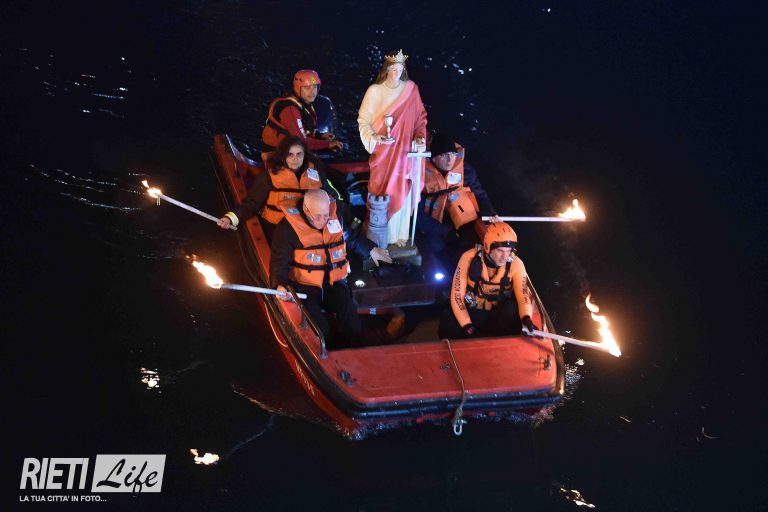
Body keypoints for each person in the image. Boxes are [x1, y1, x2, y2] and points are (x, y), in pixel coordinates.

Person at [270, 189, 392, 347]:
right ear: (306, 209)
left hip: (332, 284)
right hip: (304, 288)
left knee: (350, 318)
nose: (323, 221)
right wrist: (279, 284)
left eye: (325, 215)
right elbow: (279, 261)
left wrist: (371, 250)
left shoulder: (335, 220)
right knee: (321, 330)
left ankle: (355, 347)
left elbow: (351, 238)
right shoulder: (287, 229)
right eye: (317, 216)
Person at [357, 49, 428, 247]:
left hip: (405, 153)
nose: (397, 73)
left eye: (400, 69)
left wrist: (420, 136)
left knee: (403, 189)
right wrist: (374, 137)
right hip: (383, 152)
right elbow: (363, 120)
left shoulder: (411, 89)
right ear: (386, 69)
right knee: (380, 190)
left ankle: (399, 238)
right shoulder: (375, 91)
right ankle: (377, 239)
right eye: (393, 69)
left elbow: (420, 118)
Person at [217, 136, 341, 240]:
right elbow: (252, 203)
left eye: (299, 154)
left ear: (305, 155)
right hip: (279, 228)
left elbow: (332, 197)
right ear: (283, 156)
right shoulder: (269, 177)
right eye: (290, 154)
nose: (295, 159)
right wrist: (231, 218)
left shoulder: (316, 173)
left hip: (311, 226)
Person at [438, 222, 539, 339]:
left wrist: (526, 318)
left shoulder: (516, 264)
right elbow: (457, 295)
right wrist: (467, 325)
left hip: (497, 315)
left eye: (508, 251)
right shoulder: (468, 257)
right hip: (472, 310)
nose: (505, 256)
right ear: (487, 247)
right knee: (448, 320)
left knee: (511, 309)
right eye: (500, 251)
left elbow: (523, 295)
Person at [418, 131, 501, 267]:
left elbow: (480, 195)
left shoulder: (466, 171)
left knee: (472, 245)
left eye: (452, 154)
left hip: (464, 223)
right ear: (434, 158)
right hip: (434, 226)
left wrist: (490, 213)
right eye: (444, 155)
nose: (450, 159)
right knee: (437, 250)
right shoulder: (419, 175)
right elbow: (417, 216)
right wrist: (445, 232)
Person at [262, 69, 344, 152]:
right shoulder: (289, 108)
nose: (312, 92)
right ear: (297, 88)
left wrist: (319, 135)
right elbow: (300, 141)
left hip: (291, 150)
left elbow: (302, 129)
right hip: (277, 153)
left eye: (315, 87)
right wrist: (328, 144)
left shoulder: (304, 103)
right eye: (307, 87)